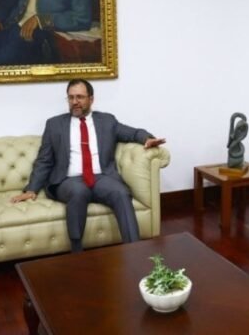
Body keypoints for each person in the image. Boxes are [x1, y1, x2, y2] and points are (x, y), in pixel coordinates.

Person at [11, 79, 166, 251]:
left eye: (80, 97)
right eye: (71, 97)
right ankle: (77, 252)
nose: (75, 102)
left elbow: (133, 133)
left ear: (91, 99)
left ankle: (135, 250)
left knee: (121, 193)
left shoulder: (107, 121)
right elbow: (44, 160)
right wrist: (32, 189)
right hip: (68, 181)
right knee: (79, 191)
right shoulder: (54, 125)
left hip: (101, 178)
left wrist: (147, 139)